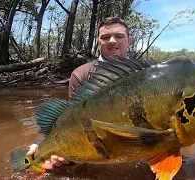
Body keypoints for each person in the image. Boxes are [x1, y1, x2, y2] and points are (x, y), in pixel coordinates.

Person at [27, 17, 132, 170]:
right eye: (105, 37)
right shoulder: (81, 74)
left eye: (119, 36)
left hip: (135, 140)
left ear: (129, 39)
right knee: (40, 163)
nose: (112, 41)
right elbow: (72, 121)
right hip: (94, 140)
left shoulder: (148, 75)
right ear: (98, 41)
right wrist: (41, 145)